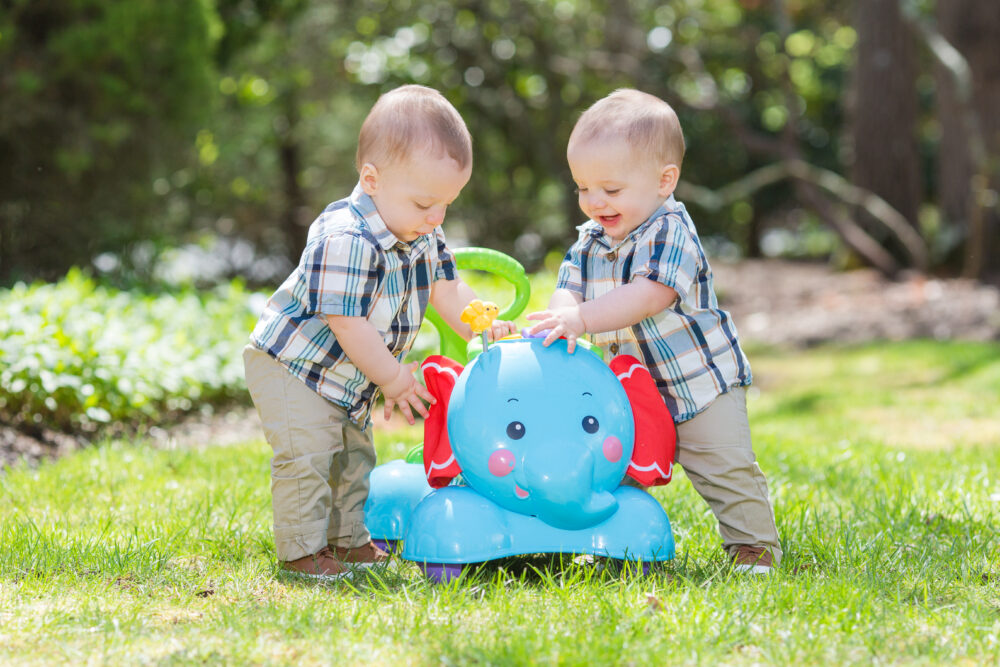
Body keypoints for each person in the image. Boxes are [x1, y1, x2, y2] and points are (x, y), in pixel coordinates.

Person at [243, 85, 516, 580]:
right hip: (295, 367)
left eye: (447, 205)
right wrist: (392, 378)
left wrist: (483, 325)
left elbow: (446, 289)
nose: (437, 217)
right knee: (309, 455)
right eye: (425, 203)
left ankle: (348, 543)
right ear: (372, 179)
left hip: (347, 376)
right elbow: (347, 324)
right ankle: (302, 552)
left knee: (354, 455)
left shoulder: (421, 228)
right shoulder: (345, 238)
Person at [527, 89, 781, 573]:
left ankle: (752, 545)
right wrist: (560, 317)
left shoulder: (671, 230)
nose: (594, 201)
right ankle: (616, 543)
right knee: (614, 471)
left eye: (611, 189)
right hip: (627, 392)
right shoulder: (590, 239)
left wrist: (582, 319)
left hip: (699, 385)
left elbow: (650, 295)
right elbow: (569, 289)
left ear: (665, 181)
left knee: (723, 466)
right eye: (583, 188)